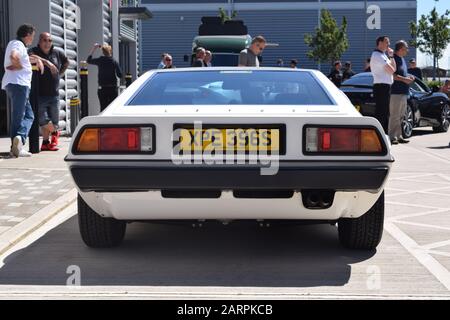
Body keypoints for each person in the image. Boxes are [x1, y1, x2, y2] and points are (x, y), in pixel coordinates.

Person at [1, 24, 42, 157]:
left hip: (18, 85)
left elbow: (23, 58)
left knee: (29, 115)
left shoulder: (19, 45)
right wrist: (17, 65)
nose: (32, 39)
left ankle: (18, 142)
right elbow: (14, 56)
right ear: (27, 35)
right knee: (19, 115)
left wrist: (39, 61)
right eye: (32, 36)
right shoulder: (17, 43)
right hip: (19, 84)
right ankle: (17, 143)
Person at [29, 32, 68, 151]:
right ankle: (55, 133)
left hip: (54, 94)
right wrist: (47, 62)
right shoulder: (34, 51)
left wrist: (59, 74)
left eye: (50, 41)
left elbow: (66, 62)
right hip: (39, 93)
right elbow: (30, 57)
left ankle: (46, 143)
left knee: (55, 120)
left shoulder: (57, 52)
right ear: (39, 41)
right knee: (42, 120)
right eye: (45, 40)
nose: (47, 43)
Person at [389, 40, 414, 144]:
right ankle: (392, 137)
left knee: (401, 115)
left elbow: (402, 74)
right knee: (394, 115)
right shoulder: (393, 59)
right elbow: (392, 75)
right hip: (396, 92)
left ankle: (398, 136)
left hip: (404, 92)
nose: (407, 50)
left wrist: (409, 77)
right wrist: (405, 79)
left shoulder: (402, 60)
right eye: (406, 48)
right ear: (400, 49)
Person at [370, 35, 396, 135]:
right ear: (380, 43)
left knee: (385, 113)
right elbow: (392, 70)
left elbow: (394, 69)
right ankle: (379, 136)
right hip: (381, 87)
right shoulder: (377, 55)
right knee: (381, 113)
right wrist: (392, 67)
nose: (388, 44)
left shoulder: (384, 55)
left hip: (386, 86)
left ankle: (384, 136)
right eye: (386, 42)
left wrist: (392, 56)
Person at [87, 43, 123, 112]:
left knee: (103, 108)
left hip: (102, 89)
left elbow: (88, 60)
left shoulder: (100, 60)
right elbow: (120, 75)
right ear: (110, 51)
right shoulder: (114, 61)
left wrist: (94, 48)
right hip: (112, 89)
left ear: (103, 52)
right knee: (112, 108)